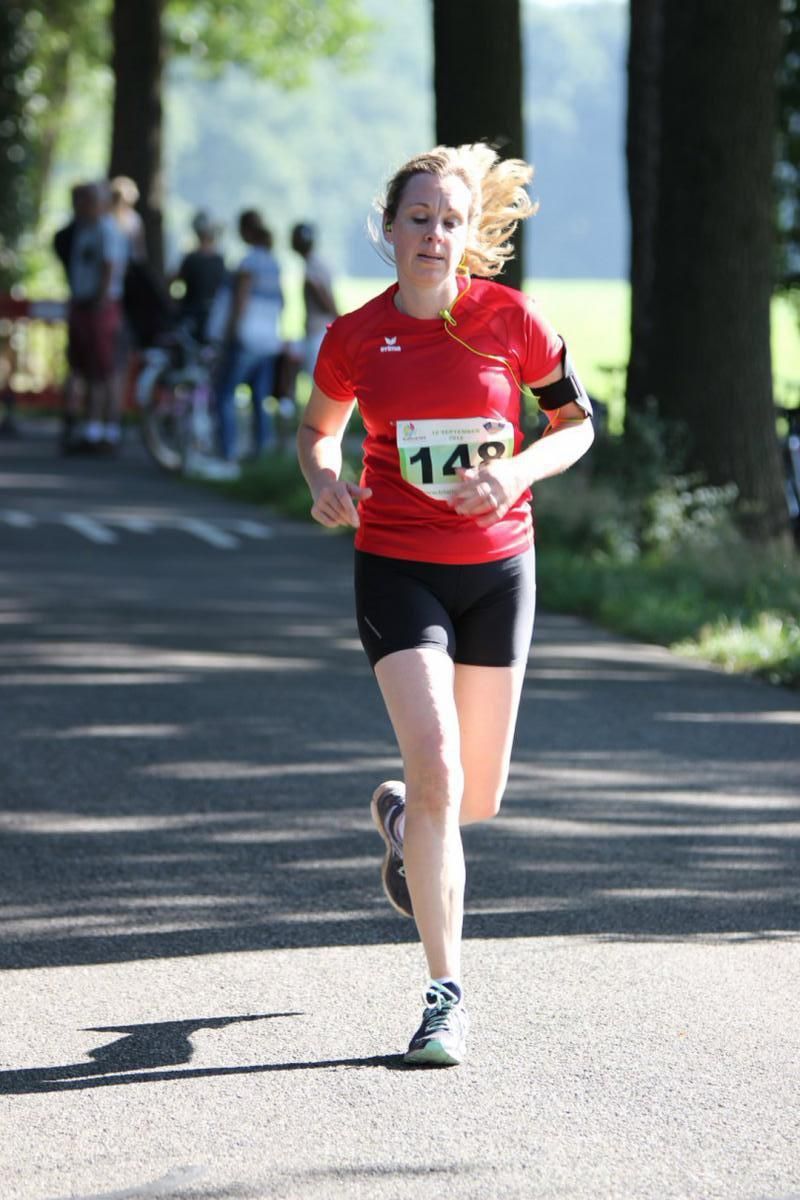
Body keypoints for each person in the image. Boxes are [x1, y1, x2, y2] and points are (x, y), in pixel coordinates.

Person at [297, 143, 594, 1067]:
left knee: (476, 798)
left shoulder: (512, 322)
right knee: (436, 769)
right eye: (417, 217)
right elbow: (317, 430)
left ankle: (399, 825)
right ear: (388, 231)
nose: (434, 233)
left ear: (470, 238)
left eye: (450, 220)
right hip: (396, 564)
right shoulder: (355, 337)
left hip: (501, 567)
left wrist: (511, 472)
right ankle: (444, 996)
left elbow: (578, 424)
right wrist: (323, 476)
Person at [53, 180, 130, 453]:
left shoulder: (107, 230)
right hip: (82, 303)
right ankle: (88, 426)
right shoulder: (82, 229)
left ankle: (103, 429)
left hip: (100, 307)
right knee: (82, 366)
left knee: (103, 369)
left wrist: (100, 299)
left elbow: (109, 266)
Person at [212, 209, 283, 462]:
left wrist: (230, 331)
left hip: (247, 336)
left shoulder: (248, 262)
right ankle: (262, 454)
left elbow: (240, 300)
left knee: (224, 394)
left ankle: (228, 451)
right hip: (269, 338)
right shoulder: (274, 263)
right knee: (260, 397)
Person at [290, 222, 338, 376]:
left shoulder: (312, 266)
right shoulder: (318, 263)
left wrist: (339, 317)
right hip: (320, 330)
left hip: (318, 331)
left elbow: (321, 293)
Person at [173, 211, 226, 344]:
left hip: (195, 314)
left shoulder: (191, 259)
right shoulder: (219, 260)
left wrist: (176, 301)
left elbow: (177, 287)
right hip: (207, 315)